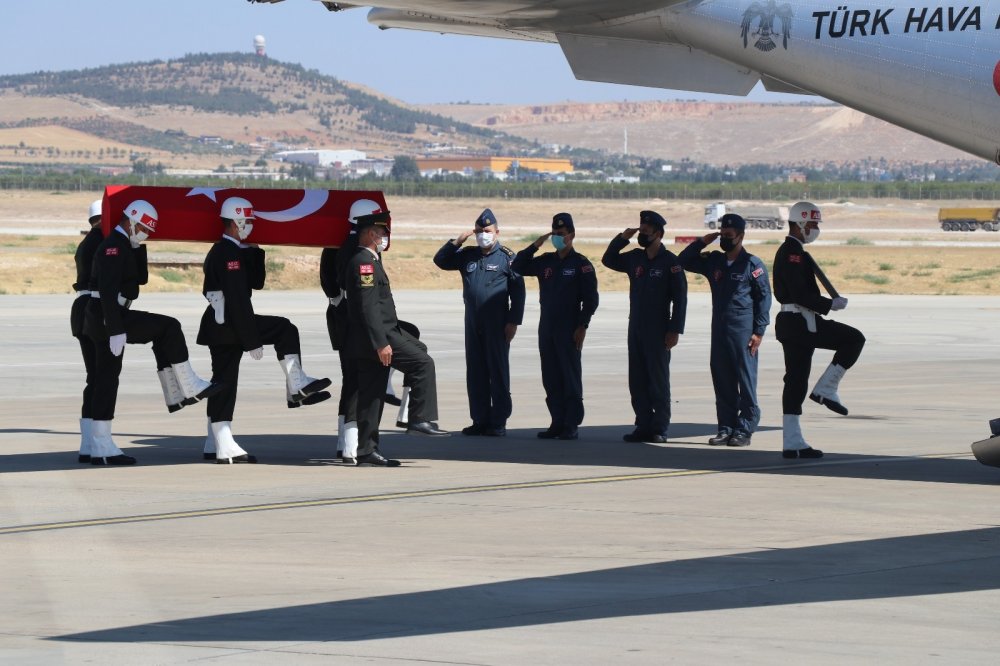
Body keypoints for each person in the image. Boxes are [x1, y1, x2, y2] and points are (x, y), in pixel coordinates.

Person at [83, 200, 221, 465]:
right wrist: (115, 329)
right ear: (130, 221)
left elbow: (138, 280)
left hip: (107, 315)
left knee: (107, 379)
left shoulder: (125, 244)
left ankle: (101, 445)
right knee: (169, 327)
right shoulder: (113, 246)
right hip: (108, 315)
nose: (145, 233)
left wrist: (137, 247)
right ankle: (186, 385)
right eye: (143, 228)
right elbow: (109, 290)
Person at [197, 197, 331, 464]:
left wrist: (254, 250)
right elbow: (237, 298)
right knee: (284, 329)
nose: (250, 226)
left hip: (224, 325)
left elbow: (255, 283)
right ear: (235, 223)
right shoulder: (227, 253)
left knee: (223, 381)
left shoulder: (233, 250)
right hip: (228, 325)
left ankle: (217, 443)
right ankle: (296, 386)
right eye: (247, 222)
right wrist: (251, 340)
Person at [347, 211, 448, 467]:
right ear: (371, 234)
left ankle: (366, 451)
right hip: (379, 337)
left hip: (373, 337)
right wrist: (381, 343)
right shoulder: (365, 263)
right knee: (423, 363)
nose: (385, 239)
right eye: (383, 234)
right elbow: (368, 307)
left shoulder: (368, 259)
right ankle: (418, 419)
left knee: (372, 397)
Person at [773, 201, 866, 459]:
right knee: (853, 339)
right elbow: (799, 293)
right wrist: (829, 304)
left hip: (796, 323)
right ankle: (826, 389)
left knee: (795, 380)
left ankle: (792, 441)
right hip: (800, 322)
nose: (815, 229)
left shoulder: (795, 251)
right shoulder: (792, 252)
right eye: (812, 224)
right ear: (801, 223)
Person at [678, 213, 772, 447]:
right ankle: (726, 427)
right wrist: (702, 242)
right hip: (719, 328)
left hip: (743, 328)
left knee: (745, 379)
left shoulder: (753, 264)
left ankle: (745, 428)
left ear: (740, 236)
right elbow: (684, 260)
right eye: (722, 234)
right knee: (722, 379)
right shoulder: (715, 261)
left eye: (729, 235)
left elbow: (764, 299)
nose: (724, 239)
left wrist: (759, 331)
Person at [433, 208, 525, 437]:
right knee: (476, 372)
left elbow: (519, 293)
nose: (484, 234)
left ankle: (498, 421)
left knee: (498, 372)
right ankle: (480, 419)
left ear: (497, 232)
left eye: (488, 230)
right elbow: (441, 261)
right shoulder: (468, 255)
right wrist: (458, 241)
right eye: (480, 231)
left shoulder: (507, 258)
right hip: (473, 322)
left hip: (498, 323)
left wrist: (513, 322)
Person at [512, 212, 599, 440]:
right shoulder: (546, 261)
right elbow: (518, 266)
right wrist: (536, 244)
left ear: (571, 235)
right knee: (550, 377)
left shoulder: (581, 265)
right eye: (555, 234)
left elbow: (591, 299)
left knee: (569, 376)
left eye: (561, 234)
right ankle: (557, 422)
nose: (558, 238)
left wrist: (583, 325)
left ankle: (571, 424)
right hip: (547, 326)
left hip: (569, 327)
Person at [602, 210, 687, 444]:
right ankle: (642, 424)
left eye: (646, 232)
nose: (643, 235)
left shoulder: (671, 262)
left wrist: (674, 330)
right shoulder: (634, 258)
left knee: (658, 380)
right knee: (637, 379)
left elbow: (680, 298)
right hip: (636, 327)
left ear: (658, 234)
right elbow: (608, 260)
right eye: (641, 230)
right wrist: (622, 238)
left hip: (659, 330)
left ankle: (659, 427)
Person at [71, 199, 105, 463]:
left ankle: (87, 443)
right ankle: (95, 442)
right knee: (101, 376)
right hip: (95, 308)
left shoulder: (86, 243)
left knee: (93, 376)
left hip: (81, 307)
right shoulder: (101, 243)